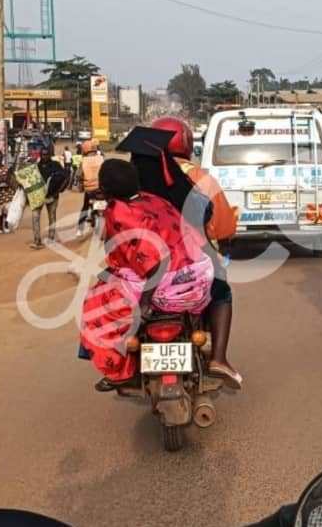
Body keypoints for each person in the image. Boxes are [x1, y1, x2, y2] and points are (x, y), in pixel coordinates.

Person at [80, 159, 212, 389]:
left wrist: (144, 304)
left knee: (94, 308)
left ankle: (120, 370)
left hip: (162, 287)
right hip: (198, 280)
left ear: (105, 188)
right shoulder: (156, 199)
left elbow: (152, 265)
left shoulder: (118, 211)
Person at [151, 116, 243, 388]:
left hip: (146, 267)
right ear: (187, 142)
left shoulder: (138, 172)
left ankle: (120, 358)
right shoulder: (199, 177)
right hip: (192, 267)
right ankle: (218, 358)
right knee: (222, 291)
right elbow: (224, 227)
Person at [32, 147, 68, 245]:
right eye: (43, 154)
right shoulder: (35, 167)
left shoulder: (56, 165)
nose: (45, 156)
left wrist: (58, 190)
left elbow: (64, 178)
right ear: (40, 155)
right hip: (38, 197)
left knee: (52, 217)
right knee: (35, 217)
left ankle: (51, 238)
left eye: (47, 154)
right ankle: (37, 240)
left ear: (50, 155)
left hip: (52, 196)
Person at [75, 139, 104, 239]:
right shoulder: (101, 158)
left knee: (85, 208)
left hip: (89, 190)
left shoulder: (83, 161)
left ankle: (80, 229)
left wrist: (80, 181)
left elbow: (78, 175)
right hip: (101, 189)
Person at [0, 150, 17, 234]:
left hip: (7, 191)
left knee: (7, 209)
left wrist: (10, 174)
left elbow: (10, 178)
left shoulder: (5, 167)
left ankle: (6, 225)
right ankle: (0, 227)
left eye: (0, 157)